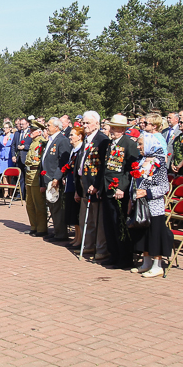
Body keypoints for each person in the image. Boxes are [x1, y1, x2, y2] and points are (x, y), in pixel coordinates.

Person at [129, 130, 172, 278]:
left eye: (141, 144)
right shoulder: (142, 160)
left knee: (154, 235)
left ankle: (157, 266)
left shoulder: (159, 162)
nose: (138, 147)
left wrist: (147, 192)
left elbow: (164, 187)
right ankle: (146, 263)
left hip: (154, 206)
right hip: (140, 204)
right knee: (143, 234)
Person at [101, 114, 141, 267]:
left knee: (120, 224)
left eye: (115, 128)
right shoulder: (109, 143)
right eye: (111, 127)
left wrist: (122, 187)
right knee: (109, 224)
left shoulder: (129, 144)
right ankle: (113, 254)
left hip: (119, 191)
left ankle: (124, 258)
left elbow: (130, 169)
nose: (111, 130)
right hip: (107, 188)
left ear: (122, 129)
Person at [76, 111, 109, 260]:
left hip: (94, 185)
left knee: (97, 219)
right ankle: (88, 245)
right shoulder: (86, 139)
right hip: (84, 182)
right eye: (83, 123)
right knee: (86, 217)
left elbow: (103, 166)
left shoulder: (102, 139)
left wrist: (97, 185)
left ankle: (101, 248)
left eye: (88, 123)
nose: (85, 125)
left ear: (97, 124)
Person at [41, 117, 73, 242]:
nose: (46, 127)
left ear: (56, 127)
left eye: (48, 125)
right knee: (52, 206)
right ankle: (56, 231)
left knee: (57, 207)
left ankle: (61, 234)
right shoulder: (51, 139)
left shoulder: (62, 140)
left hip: (55, 179)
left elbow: (63, 161)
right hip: (48, 178)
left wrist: (57, 177)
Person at [23, 122, 49, 237]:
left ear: (39, 131)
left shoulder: (42, 142)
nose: (31, 132)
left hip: (36, 174)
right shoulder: (33, 142)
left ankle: (41, 228)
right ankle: (33, 226)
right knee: (29, 203)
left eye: (33, 130)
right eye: (30, 130)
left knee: (38, 203)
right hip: (29, 173)